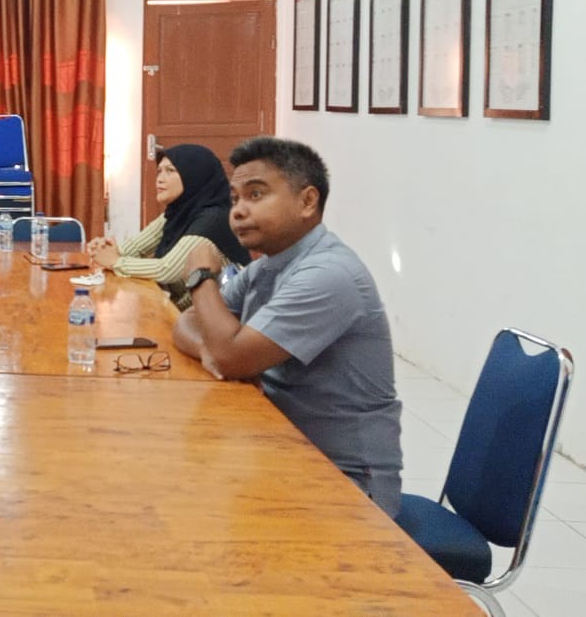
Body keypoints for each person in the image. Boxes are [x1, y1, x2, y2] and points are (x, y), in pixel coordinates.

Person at [171, 136, 403, 516]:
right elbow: (189, 322)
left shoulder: (328, 275)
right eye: (235, 198)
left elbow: (230, 355)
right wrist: (207, 349)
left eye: (256, 194)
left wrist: (200, 277)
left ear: (307, 201)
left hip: (346, 483)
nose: (238, 211)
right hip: (280, 446)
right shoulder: (269, 265)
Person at [86, 143, 251, 308]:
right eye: (159, 171)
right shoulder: (179, 212)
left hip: (216, 315)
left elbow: (166, 269)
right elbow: (134, 248)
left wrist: (115, 262)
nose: (160, 179)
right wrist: (103, 249)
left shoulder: (213, 218)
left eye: (170, 171)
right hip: (185, 310)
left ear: (194, 176)